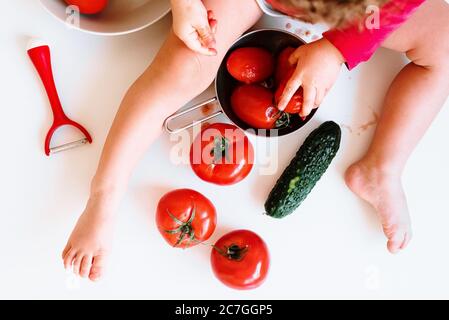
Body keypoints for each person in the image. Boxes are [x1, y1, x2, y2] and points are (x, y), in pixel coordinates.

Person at [62, 0, 449, 281]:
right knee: (182, 68)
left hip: (358, 13)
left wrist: (338, 48)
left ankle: (382, 168)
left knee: (445, 41)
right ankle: (104, 197)